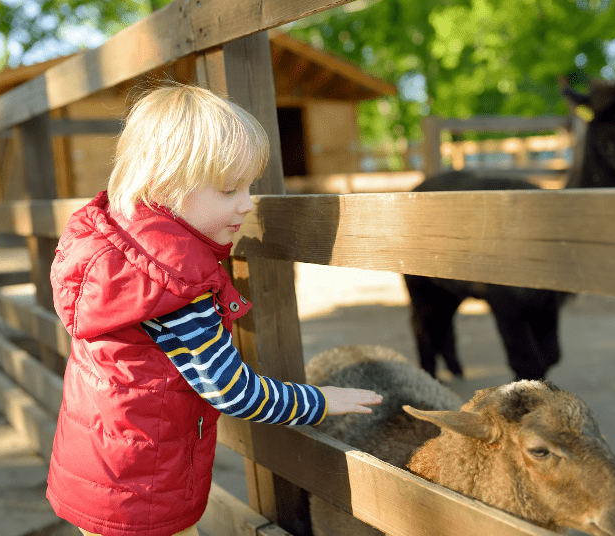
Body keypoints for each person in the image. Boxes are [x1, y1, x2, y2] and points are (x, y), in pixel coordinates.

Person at [46, 83, 382, 536]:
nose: (247, 204)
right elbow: (232, 390)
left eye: (249, 187)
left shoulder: (117, 246)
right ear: (164, 184)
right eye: (228, 190)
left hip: (100, 469)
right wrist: (320, 401)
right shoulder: (174, 282)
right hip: (144, 493)